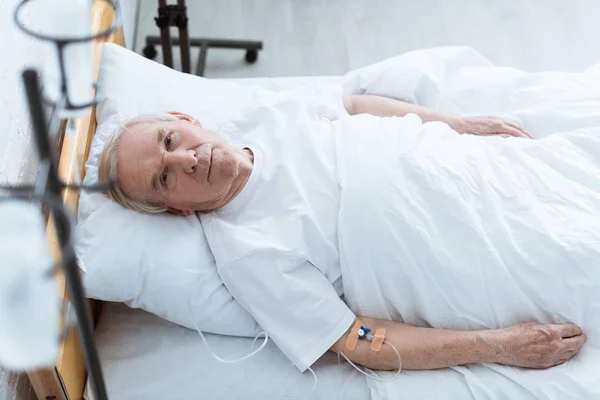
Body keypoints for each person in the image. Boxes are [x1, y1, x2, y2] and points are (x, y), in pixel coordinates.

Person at [98, 93, 586, 373]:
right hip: (471, 251)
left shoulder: (269, 115)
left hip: (477, 171)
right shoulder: (246, 255)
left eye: (170, 141)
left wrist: (457, 124)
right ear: (177, 212)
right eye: (165, 177)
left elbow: (351, 106)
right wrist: (499, 346)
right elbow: (356, 338)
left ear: (185, 120)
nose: (185, 159)